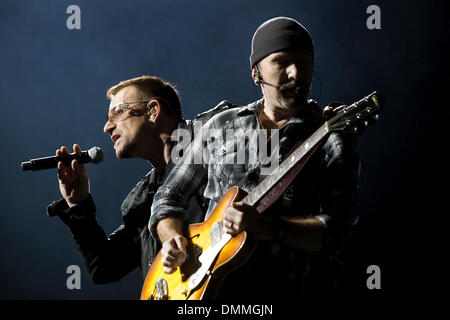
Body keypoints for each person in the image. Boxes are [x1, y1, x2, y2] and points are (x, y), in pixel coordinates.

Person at [149, 17, 360, 300]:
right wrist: (171, 237)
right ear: (257, 74)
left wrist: (269, 228)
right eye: (282, 62)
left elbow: (335, 232)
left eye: (304, 61)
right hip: (204, 290)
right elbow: (169, 197)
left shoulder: (330, 137)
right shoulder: (221, 126)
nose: (296, 73)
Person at [46, 75, 236, 285]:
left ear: (153, 110)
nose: (107, 127)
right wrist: (78, 204)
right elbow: (105, 266)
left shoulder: (218, 136)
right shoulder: (144, 199)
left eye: (117, 113)